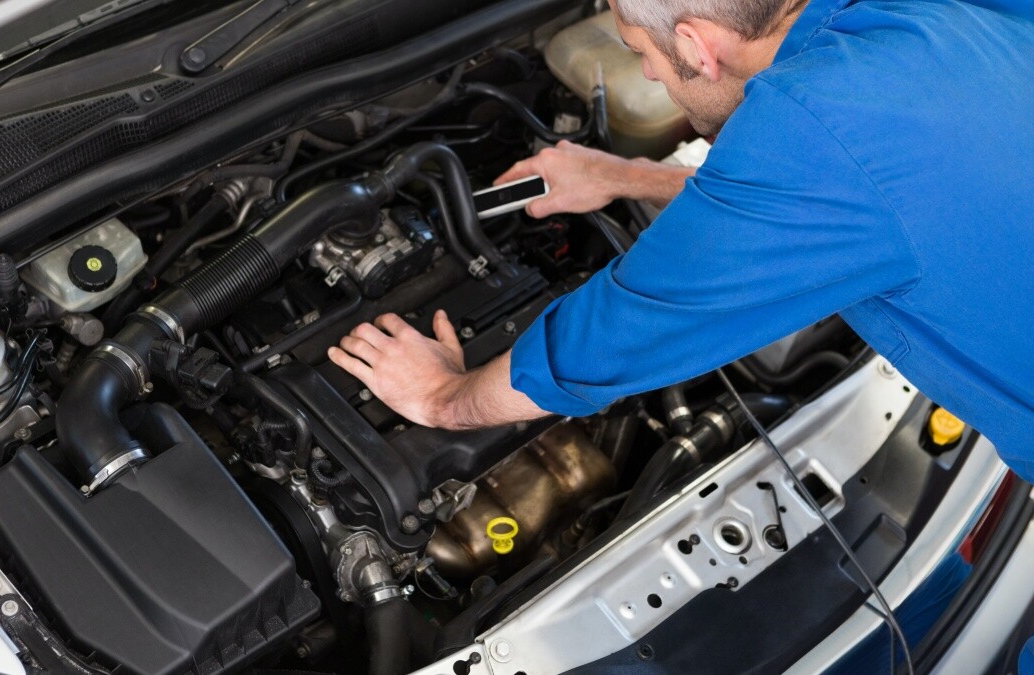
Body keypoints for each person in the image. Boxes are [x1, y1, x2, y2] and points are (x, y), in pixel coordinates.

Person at [330, 0, 1034, 656]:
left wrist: (441, 398)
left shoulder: (809, 126)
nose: (644, 71)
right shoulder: (913, 23)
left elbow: (610, 337)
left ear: (696, 46)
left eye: (641, 52)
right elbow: (842, 193)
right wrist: (625, 176)